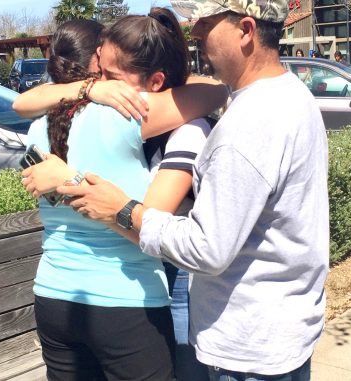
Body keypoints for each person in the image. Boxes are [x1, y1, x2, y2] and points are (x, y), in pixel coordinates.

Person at [45, 0, 329, 379]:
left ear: (246, 31)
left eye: (205, 23)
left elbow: (206, 248)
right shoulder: (290, 95)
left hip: (246, 345)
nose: (193, 34)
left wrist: (121, 209)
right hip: (278, 328)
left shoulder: (246, 127)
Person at [21, 14, 227, 380]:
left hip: (53, 295)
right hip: (125, 301)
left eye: (109, 78)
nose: (106, 86)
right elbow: (216, 90)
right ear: (91, 65)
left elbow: (21, 103)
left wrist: (87, 92)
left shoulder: (38, 124)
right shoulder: (129, 114)